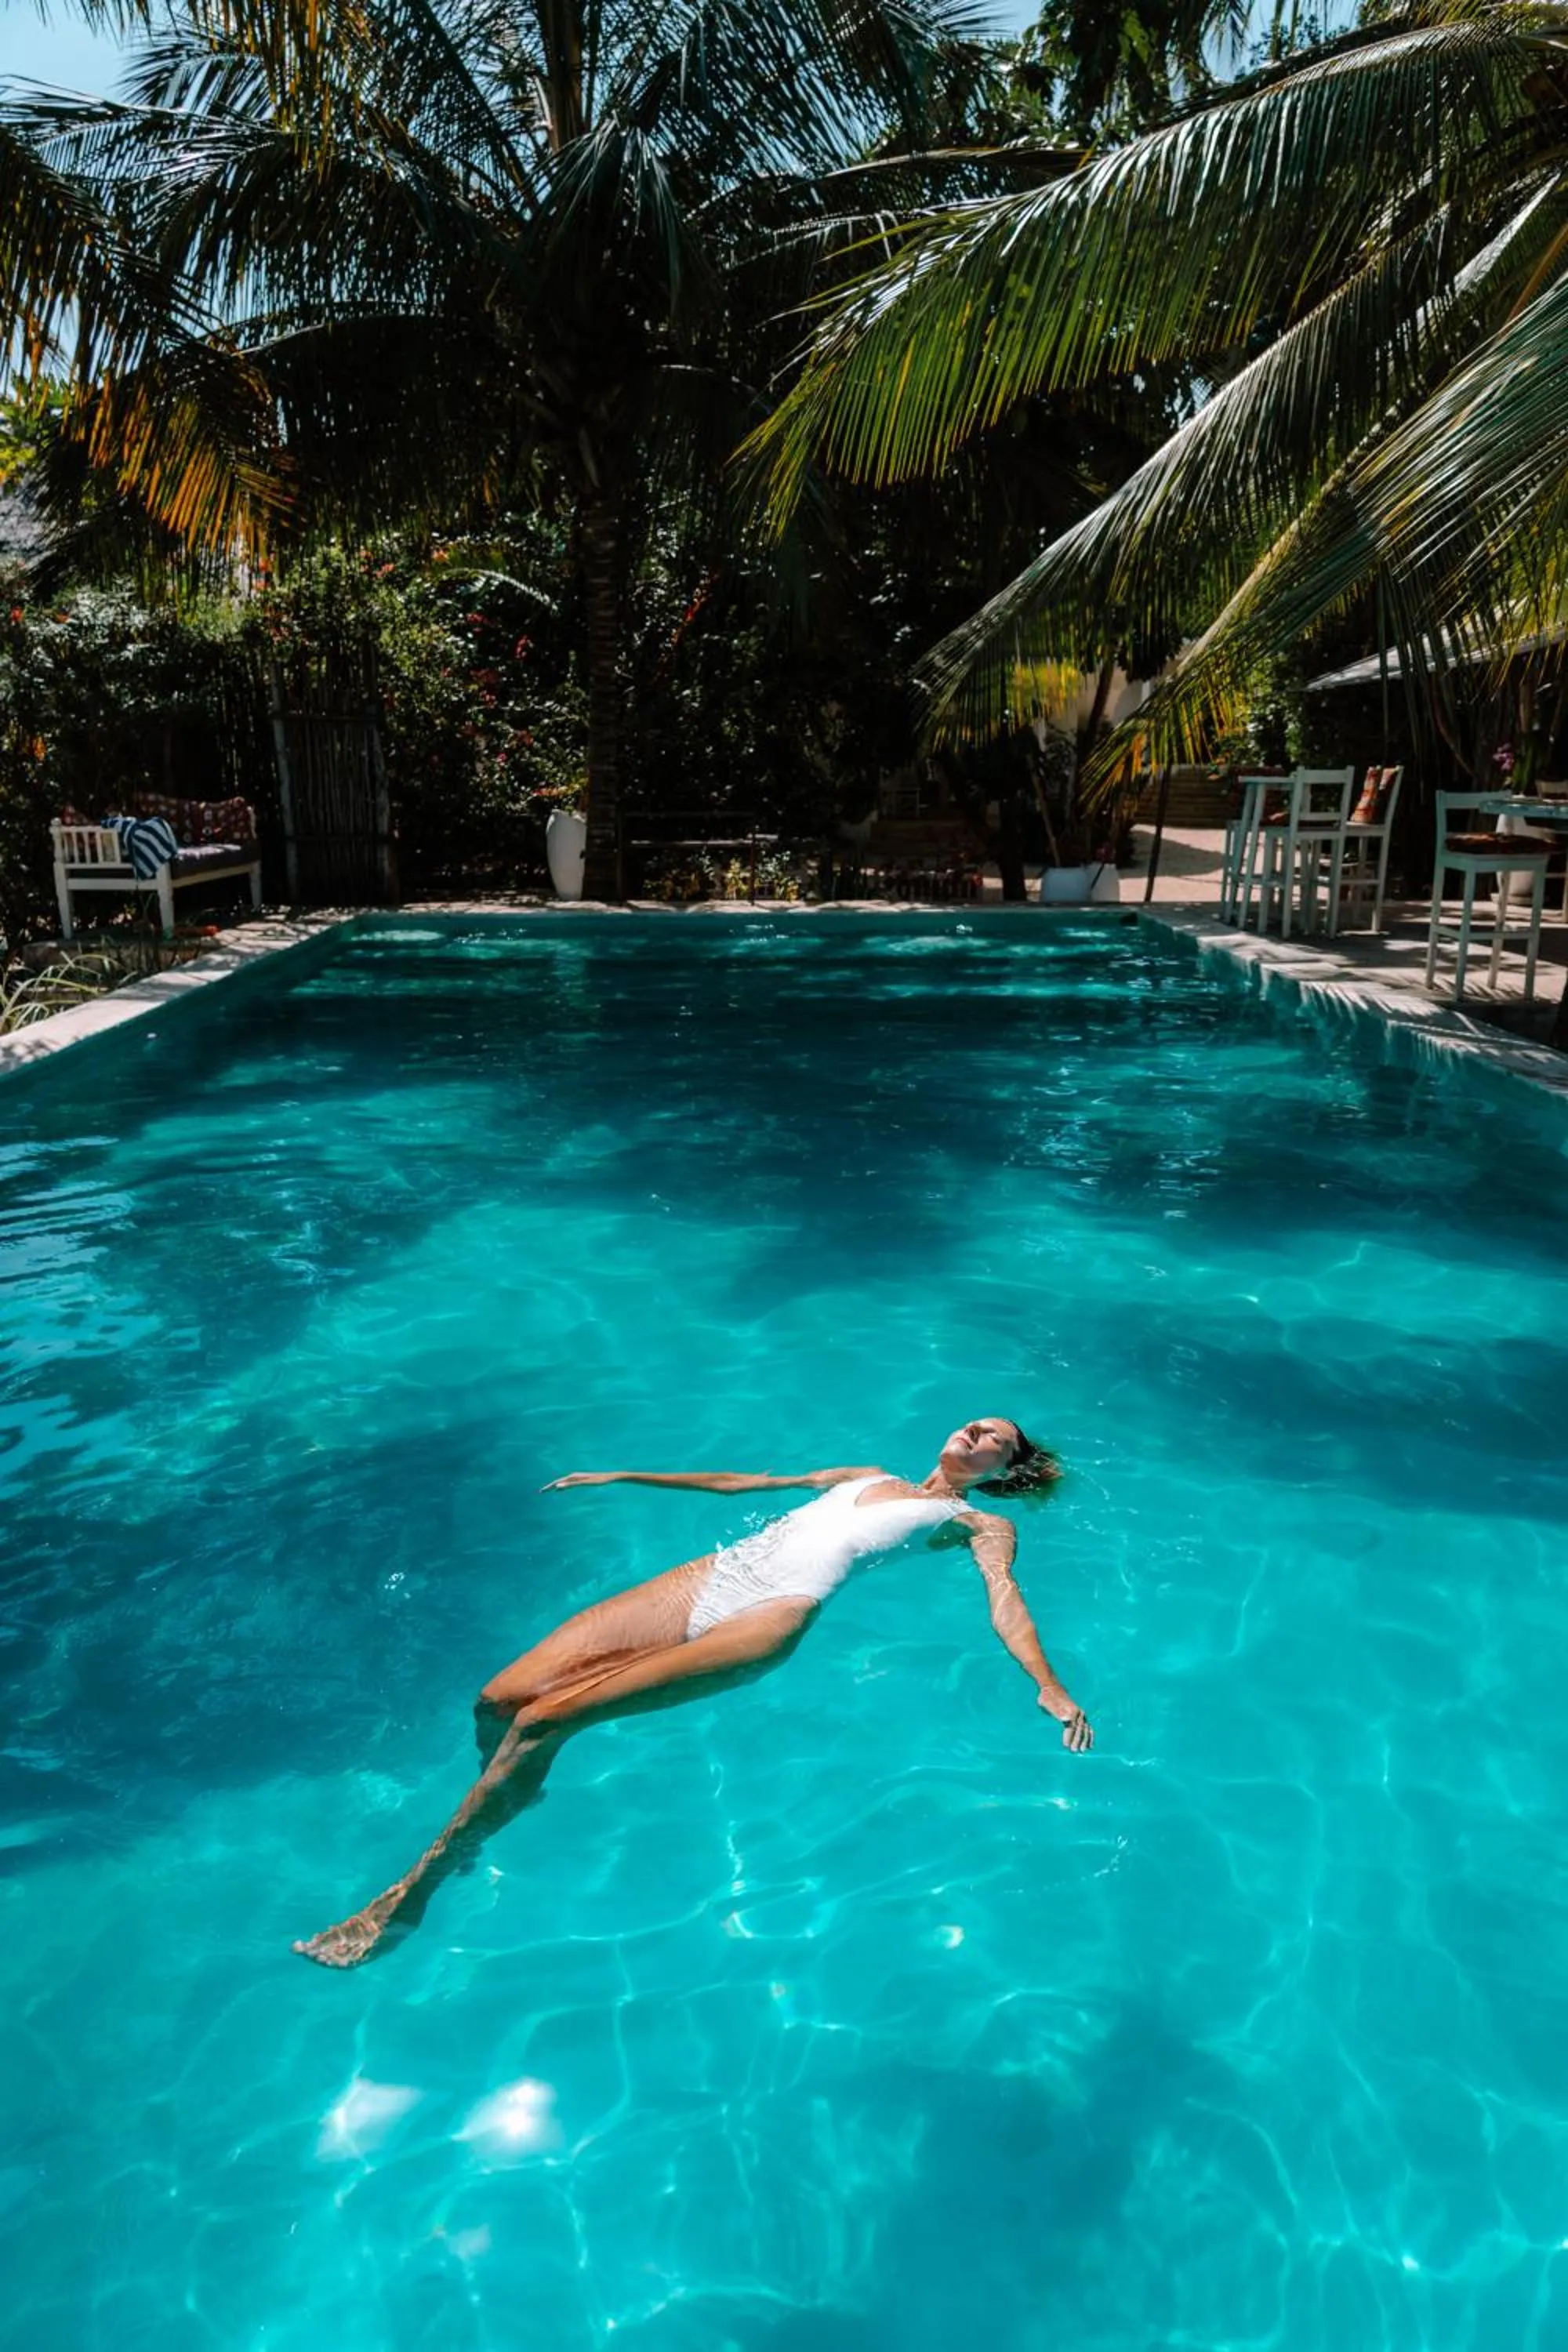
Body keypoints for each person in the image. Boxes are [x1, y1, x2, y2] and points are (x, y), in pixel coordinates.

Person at [294, 1415, 1093, 1968]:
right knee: (498, 1701)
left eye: (996, 1438)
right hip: (709, 1579)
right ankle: (506, 1794)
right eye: (976, 1422)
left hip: (770, 1617)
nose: (977, 1431)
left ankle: (414, 1891)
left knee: (541, 1722)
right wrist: (622, 1474)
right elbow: (741, 1484)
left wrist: (1048, 1686)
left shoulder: (979, 1525)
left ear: (1002, 1471)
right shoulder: (866, 1474)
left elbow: (1005, 1601)